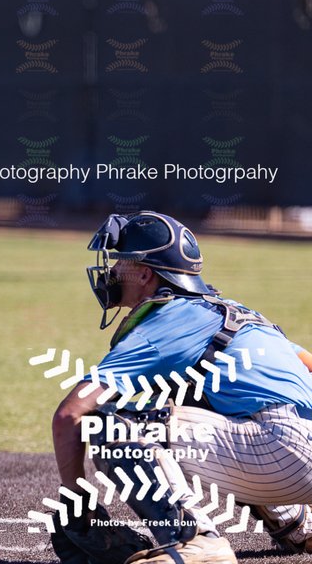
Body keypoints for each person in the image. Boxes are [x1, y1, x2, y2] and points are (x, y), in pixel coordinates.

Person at [51, 211, 312, 564]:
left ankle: (193, 540)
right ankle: (299, 525)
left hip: (282, 454)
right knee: (208, 402)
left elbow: (70, 414)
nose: (111, 272)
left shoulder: (165, 319)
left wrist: (75, 498)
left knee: (112, 427)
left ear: (145, 273)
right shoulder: (235, 311)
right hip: (294, 454)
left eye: (119, 262)